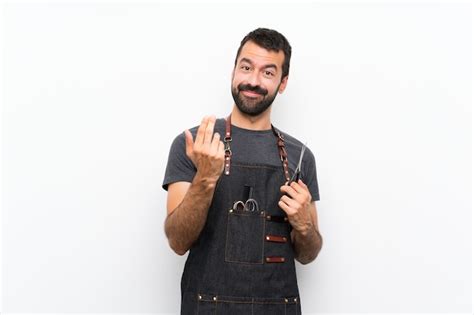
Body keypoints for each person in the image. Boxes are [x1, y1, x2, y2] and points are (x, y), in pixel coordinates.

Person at [162, 27, 323, 314]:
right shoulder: (194, 144)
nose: (253, 80)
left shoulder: (300, 157)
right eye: (246, 67)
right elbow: (177, 240)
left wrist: (304, 225)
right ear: (233, 70)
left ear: (283, 83)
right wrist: (206, 178)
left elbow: (308, 254)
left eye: (268, 72)